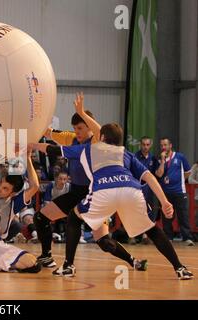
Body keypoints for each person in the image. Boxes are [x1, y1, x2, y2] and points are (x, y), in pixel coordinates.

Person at [38, 123, 194, 280]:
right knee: (152, 230)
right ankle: (180, 268)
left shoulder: (90, 148)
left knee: (73, 217)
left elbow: (53, 150)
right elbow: (149, 176)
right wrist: (165, 201)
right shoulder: (125, 152)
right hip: (131, 190)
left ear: (103, 137)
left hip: (104, 191)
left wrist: (30, 144)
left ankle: (68, 266)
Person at [32, 93, 147, 276]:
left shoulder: (96, 142)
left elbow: (98, 129)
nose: (76, 132)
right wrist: (38, 126)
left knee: (103, 242)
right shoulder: (71, 138)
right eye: (74, 128)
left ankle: (133, 261)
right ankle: (47, 256)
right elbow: (49, 135)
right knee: (41, 217)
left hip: (95, 194)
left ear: (89, 127)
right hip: (76, 192)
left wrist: (83, 113)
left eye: (80, 128)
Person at [155, 138, 194, 246]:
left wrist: (179, 179)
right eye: (162, 145)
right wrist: (162, 161)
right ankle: (168, 237)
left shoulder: (180, 157)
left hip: (179, 191)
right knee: (167, 216)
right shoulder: (158, 159)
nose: (163, 147)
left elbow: (188, 172)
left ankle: (187, 237)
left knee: (183, 215)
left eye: (165, 145)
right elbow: (158, 174)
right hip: (165, 192)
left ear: (170, 145)